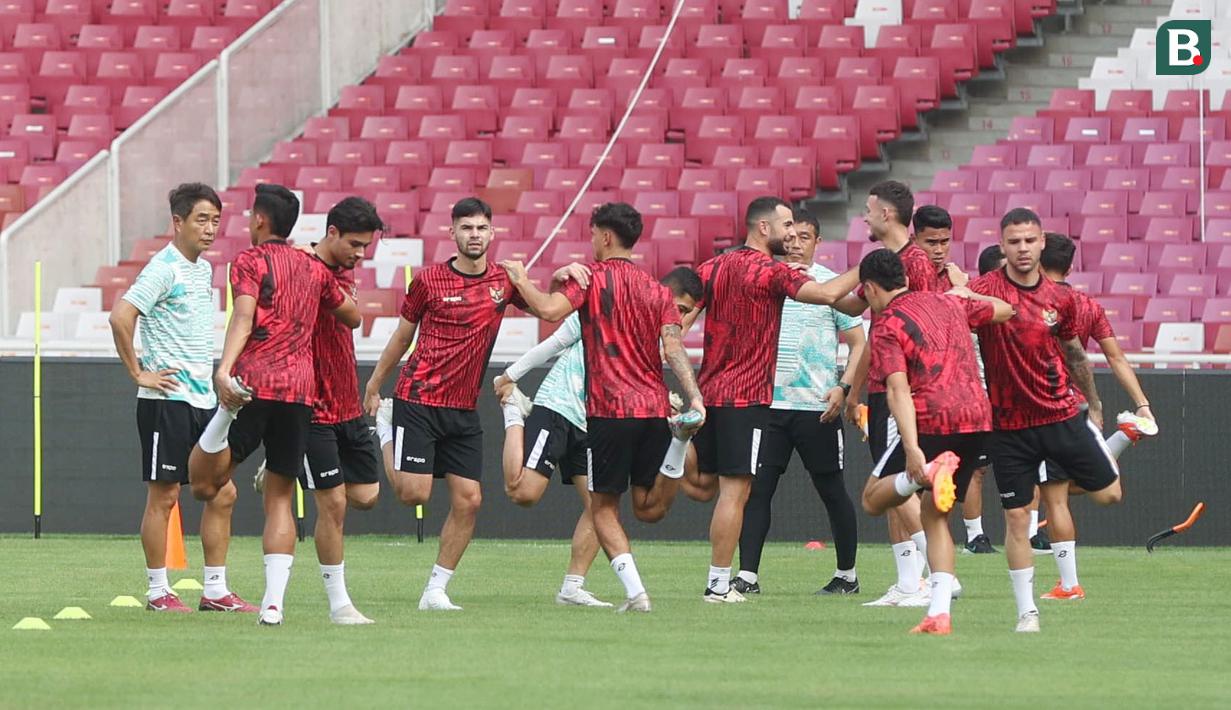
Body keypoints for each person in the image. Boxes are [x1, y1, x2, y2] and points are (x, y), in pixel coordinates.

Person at [498, 202, 707, 613]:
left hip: (609, 412)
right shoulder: (658, 291)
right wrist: (694, 394)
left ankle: (636, 594)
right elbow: (673, 345)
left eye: (593, 234)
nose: (592, 241)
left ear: (606, 236)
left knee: (602, 505)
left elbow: (547, 311)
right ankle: (678, 443)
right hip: (652, 408)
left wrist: (523, 279)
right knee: (648, 508)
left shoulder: (592, 280)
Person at [188, 183, 360, 626]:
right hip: (300, 392)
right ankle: (273, 604)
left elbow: (242, 317)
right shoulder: (313, 268)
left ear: (260, 220)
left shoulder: (249, 261)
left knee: (207, 484)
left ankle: (224, 416)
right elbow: (354, 316)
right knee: (281, 497)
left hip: (255, 383)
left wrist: (224, 371)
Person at [682, 196, 862, 604]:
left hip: (713, 392)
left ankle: (672, 448)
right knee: (738, 493)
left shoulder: (714, 266)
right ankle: (720, 583)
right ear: (765, 228)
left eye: (800, 231)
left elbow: (680, 314)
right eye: (785, 226)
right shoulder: (773, 272)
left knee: (704, 486)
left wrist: (672, 351)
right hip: (750, 400)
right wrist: (868, 270)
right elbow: (832, 293)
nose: (790, 235)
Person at [969, 208, 1127, 633]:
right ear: (1002, 245)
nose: (1022, 248)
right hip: (1008, 427)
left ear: (1042, 243)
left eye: (1029, 240)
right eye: (1014, 241)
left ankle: (1112, 443)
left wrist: (1092, 402)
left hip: (1061, 415)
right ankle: (1027, 613)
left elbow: (1075, 353)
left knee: (1110, 495)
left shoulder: (1062, 299)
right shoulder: (982, 292)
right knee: (1018, 518)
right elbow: (949, 319)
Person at [365, 197, 524, 612]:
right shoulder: (428, 281)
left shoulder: (504, 281)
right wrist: (375, 385)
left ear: (493, 233)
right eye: (466, 228)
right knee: (412, 495)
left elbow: (548, 307)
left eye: (481, 228)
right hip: (418, 398)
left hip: (463, 408)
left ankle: (435, 589)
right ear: (451, 233)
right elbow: (402, 337)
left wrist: (565, 274)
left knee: (470, 499)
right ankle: (385, 426)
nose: (474, 235)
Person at [109, 183, 255, 614]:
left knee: (222, 493)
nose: (210, 228)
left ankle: (215, 591)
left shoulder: (202, 269)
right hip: (165, 402)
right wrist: (139, 372)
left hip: (202, 402)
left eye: (215, 219)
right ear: (177, 222)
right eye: (201, 220)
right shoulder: (164, 268)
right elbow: (121, 316)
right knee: (165, 495)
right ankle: (158, 592)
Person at [857, 249, 1014, 634]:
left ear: (872, 289)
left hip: (933, 417)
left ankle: (923, 474)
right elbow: (1005, 309)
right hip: (978, 417)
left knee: (873, 499)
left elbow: (897, 390)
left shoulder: (887, 323)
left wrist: (912, 450)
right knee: (935, 516)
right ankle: (939, 613)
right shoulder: (949, 303)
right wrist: (968, 293)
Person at [252, 196, 384, 624]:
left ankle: (278, 463)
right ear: (331, 234)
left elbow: (352, 321)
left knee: (365, 496)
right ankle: (339, 604)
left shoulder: (343, 272)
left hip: (348, 404)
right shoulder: (301, 267)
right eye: (355, 245)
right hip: (314, 406)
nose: (360, 254)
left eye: (366, 247)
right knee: (333, 506)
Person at [731, 208, 866, 596]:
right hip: (767, 404)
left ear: (817, 242)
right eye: (790, 236)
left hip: (815, 406)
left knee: (832, 490)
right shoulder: (766, 280)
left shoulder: (829, 285)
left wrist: (843, 386)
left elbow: (859, 343)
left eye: (804, 237)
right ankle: (748, 576)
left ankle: (847, 574)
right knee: (758, 490)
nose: (795, 243)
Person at [842, 182, 950, 608]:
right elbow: (857, 313)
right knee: (891, 489)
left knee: (898, 484)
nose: (864, 217)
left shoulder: (916, 265)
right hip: (883, 383)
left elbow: (915, 327)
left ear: (887, 214)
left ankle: (938, 575)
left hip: (904, 385)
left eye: (869, 210)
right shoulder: (888, 265)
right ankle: (909, 583)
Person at [1034, 232, 1158, 600]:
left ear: (1038, 263)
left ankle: (1069, 584)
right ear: (1071, 266)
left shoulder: (1032, 301)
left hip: (1043, 406)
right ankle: (1122, 436)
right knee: (1108, 492)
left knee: (1053, 496)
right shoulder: (1086, 305)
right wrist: (1143, 404)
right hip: (1081, 407)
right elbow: (1116, 358)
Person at [912, 206, 995, 554]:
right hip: (914, 392)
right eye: (931, 241)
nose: (939, 249)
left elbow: (999, 312)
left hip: (959, 395)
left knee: (970, 471)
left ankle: (972, 537)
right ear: (915, 239)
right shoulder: (906, 277)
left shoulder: (958, 282)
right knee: (909, 480)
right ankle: (913, 563)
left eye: (945, 241)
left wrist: (967, 291)